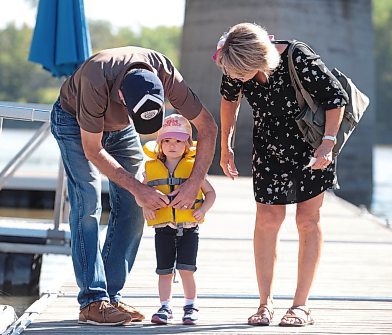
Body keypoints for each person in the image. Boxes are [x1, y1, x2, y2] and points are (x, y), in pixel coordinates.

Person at [50, 46, 217, 326]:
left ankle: (111, 296)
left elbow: (208, 126)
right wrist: (140, 189)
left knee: (133, 207)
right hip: (74, 120)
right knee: (87, 202)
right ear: (120, 97)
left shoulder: (165, 74)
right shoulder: (96, 78)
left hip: (120, 126)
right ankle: (92, 301)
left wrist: (194, 182)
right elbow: (93, 149)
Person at [213, 23, 349, 327]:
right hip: (269, 148)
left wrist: (328, 144)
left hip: (312, 146)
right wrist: (226, 146)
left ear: (259, 59)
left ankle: (301, 306)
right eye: (232, 73)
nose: (235, 78)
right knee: (267, 220)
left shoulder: (297, 57)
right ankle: (265, 304)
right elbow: (228, 101)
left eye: (240, 74)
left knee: (307, 220)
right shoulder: (234, 62)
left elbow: (336, 98)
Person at [141, 114, 216, 326]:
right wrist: (146, 207)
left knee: (186, 269)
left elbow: (211, 194)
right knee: (164, 271)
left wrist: (203, 210)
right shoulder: (151, 169)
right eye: (167, 140)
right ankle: (164, 306)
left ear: (186, 145)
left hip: (189, 228)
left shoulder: (194, 169)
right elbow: (141, 194)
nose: (172, 145)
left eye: (178, 141)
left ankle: (190, 305)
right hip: (163, 229)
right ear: (160, 144)